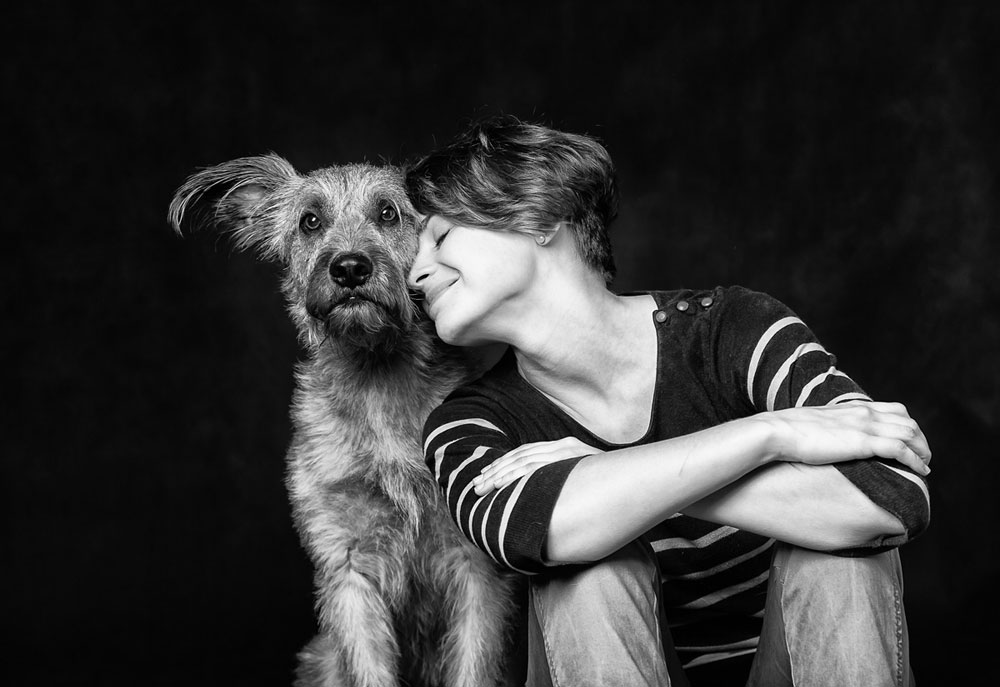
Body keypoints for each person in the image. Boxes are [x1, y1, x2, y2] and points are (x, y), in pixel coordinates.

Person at [404, 115, 931, 687]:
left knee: (838, 556)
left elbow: (891, 501)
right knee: (589, 567)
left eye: (441, 236)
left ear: (539, 215)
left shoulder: (732, 330)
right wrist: (771, 436)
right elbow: (537, 530)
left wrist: (596, 469)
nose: (414, 272)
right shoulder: (466, 423)